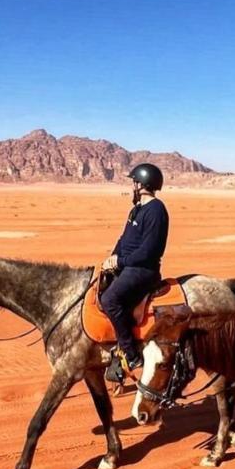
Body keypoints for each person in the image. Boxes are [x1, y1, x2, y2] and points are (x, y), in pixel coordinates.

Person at [101, 163, 169, 382]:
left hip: (144, 270)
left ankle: (131, 355)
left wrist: (120, 261)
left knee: (110, 299)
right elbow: (124, 240)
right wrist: (111, 259)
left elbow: (150, 250)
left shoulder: (156, 210)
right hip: (128, 265)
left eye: (134, 182)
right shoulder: (136, 209)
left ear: (142, 184)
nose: (132, 186)